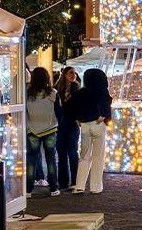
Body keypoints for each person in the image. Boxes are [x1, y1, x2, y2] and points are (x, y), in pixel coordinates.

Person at [67, 67, 113, 194]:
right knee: (98, 156)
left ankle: (80, 185)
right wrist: (104, 116)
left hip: (85, 125)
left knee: (84, 156)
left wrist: (77, 118)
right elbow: (107, 104)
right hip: (98, 124)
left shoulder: (81, 93)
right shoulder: (103, 92)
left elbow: (71, 106)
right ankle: (95, 187)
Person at [25, 66, 61, 197]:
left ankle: (28, 190)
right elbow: (59, 112)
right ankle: (53, 188)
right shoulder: (52, 93)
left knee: (31, 160)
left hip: (32, 129)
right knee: (51, 159)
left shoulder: (27, 94)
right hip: (50, 129)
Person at [54, 66, 82, 193]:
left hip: (72, 123)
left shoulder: (77, 89)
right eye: (71, 73)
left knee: (73, 152)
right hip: (59, 124)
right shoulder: (56, 90)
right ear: (64, 74)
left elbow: (81, 105)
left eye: (75, 73)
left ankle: (75, 181)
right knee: (61, 154)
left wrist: (78, 117)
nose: (73, 75)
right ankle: (63, 182)